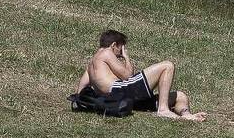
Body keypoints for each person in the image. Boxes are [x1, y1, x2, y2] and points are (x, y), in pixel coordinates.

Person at [76, 29, 204, 121]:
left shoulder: (91, 64)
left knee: (180, 96)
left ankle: (186, 115)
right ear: (114, 45)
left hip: (122, 100)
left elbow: (80, 90)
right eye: (120, 49)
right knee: (168, 65)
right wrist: (126, 58)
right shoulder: (106, 52)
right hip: (121, 91)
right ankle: (163, 110)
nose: (120, 53)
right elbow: (127, 76)